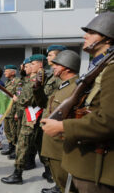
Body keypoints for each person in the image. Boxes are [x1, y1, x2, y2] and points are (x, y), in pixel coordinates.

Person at [41, 12, 114, 193]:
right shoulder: (99, 67)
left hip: (95, 170)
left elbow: (108, 120)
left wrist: (62, 127)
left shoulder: (111, 69)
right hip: (82, 164)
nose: (85, 35)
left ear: (108, 38)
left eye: (92, 32)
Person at [37, 50, 80, 193]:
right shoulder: (64, 86)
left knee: (67, 187)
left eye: (56, 64)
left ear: (67, 67)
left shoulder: (76, 89)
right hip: (53, 146)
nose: (52, 67)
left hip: (61, 148)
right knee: (60, 184)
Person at [1, 54, 46, 184]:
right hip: (29, 116)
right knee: (37, 145)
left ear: (40, 65)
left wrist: (17, 99)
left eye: (32, 64)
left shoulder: (39, 79)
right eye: (28, 65)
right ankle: (48, 172)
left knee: (23, 145)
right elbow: (23, 84)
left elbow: (26, 98)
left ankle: (17, 174)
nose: (29, 67)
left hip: (33, 116)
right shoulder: (29, 79)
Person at [33, 45, 67, 185]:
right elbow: (44, 102)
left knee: (56, 153)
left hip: (56, 120)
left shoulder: (61, 77)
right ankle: (51, 174)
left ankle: (57, 182)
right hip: (46, 117)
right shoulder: (50, 75)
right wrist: (37, 88)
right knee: (43, 148)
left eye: (50, 55)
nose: (47, 58)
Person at [0, 65, 19, 159]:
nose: (4, 73)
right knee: (7, 131)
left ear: (13, 72)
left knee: (14, 131)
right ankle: (11, 147)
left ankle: (16, 150)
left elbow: (18, 98)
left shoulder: (18, 82)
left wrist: (17, 112)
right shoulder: (7, 82)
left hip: (13, 111)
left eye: (6, 71)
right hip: (7, 110)